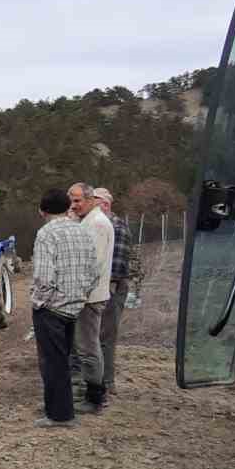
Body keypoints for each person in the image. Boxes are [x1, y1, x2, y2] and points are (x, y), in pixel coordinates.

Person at [31, 189, 100, 427]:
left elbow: (43, 277)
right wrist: (80, 296)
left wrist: (41, 302)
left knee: (53, 363)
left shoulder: (46, 234)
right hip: (75, 308)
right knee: (64, 361)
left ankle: (60, 415)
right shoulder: (82, 231)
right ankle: (62, 406)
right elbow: (94, 272)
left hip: (52, 310)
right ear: (67, 207)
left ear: (42, 211)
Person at [67, 181, 114, 412]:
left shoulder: (96, 224)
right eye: (71, 201)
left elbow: (91, 265)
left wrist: (75, 294)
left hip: (89, 297)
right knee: (85, 346)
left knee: (88, 347)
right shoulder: (88, 221)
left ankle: (96, 397)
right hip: (86, 295)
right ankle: (92, 392)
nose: (73, 206)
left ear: (90, 199)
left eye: (77, 201)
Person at [93, 187, 140, 395]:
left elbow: (117, 266)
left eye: (93, 201)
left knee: (105, 336)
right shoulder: (101, 225)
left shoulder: (116, 227)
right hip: (105, 287)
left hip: (112, 287)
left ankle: (106, 382)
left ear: (105, 204)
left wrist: (102, 287)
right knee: (96, 335)